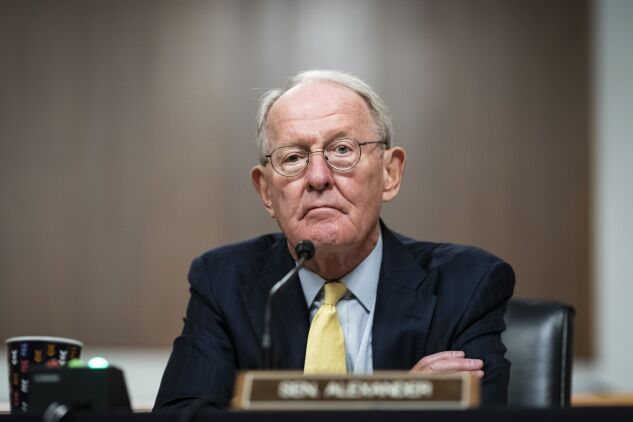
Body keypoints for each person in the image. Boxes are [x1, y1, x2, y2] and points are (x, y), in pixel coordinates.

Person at [154, 70, 515, 411]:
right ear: (266, 191)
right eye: (293, 157)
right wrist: (395, 406)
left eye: (342, 150)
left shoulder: (467, 284)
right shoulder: (224, 282)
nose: (317, 177)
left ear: (390, 173)